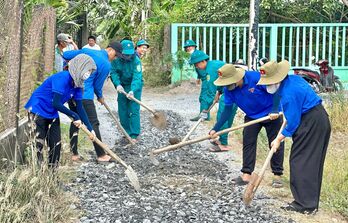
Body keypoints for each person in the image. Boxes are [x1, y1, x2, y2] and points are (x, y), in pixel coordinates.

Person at [257, 60, 331, 214]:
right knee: (307, 161)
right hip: (317, 118)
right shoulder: (293, 79)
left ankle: (306, 205)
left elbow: (293, 122)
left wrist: (278, 139)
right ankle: (308, 203)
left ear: (277, 79)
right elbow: (289, 108)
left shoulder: (289, 93)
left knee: (302, 162)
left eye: (269, 82)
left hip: (311, 122)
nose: (267, 86)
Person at [209, 64, 285, 187]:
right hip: (252, 116)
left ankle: (277, 175)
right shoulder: (229, 90)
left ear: (238, 78)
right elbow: (227, 111)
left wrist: (275, 109)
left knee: (275, 143)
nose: (228, 86)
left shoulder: (255, 78)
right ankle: (246, 174)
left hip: (271, 114)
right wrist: (215, 128)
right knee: (248, 142)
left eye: (229, 82)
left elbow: (276, 90)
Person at [25, 54, 96, 168]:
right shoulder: (62, 78)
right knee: (38, 144)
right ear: (79, 67)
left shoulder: (78, 85)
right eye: (87, 70)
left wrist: (90, 128)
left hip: (52, 112)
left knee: (55, 146)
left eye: (89, 71)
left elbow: (79, 107)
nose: (88, 73)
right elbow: (56, 103)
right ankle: (37, 173)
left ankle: (53, 174)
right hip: (37, 109)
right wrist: (74, 116)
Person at [63, 41, 123, 163]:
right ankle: (101, 154)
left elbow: (66, 55)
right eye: (116, 55)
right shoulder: (106, 64)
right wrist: (100, 96)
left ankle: (74, 154)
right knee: (93, 123)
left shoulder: (87, 51)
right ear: (110, 50)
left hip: (71, 92)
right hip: (85, 95)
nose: (115, 58)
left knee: (76, 120)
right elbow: (97, 86)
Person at [189, 50, 237, 151]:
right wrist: (219, 92)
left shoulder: (210, 70)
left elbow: (210, 92)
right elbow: (220, 80)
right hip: (230, 89)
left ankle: (223, 144)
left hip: (232, 91)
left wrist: (205, 110)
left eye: (197, 64)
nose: (196, 67)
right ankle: (222, 140)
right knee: (227, 116)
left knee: (223, 115)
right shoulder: (212, 65)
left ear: (203, 61)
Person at [110, 40, 143, 143]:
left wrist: (133, 90)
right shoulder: (116, 60)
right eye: (126, 54)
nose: (128, 56)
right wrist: (118, 85)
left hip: (135, 88)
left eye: (130, 54)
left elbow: (137, 77)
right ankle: (126, 133)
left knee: (134, 110)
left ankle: (134, 134)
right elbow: (113, 73)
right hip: (122, 87)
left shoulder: (136, 61)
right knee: (123, 110)